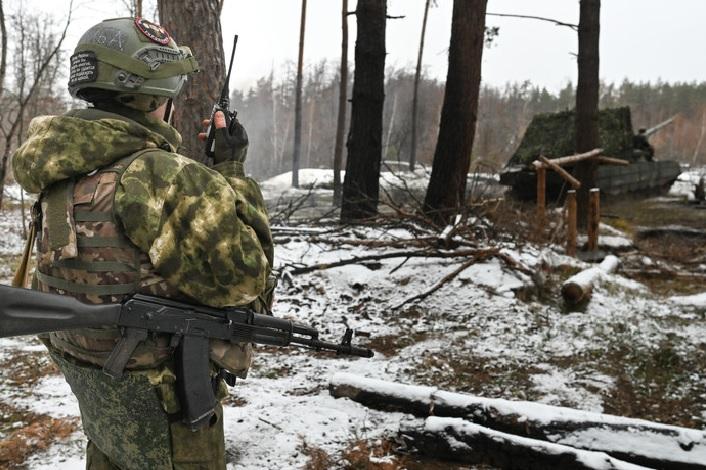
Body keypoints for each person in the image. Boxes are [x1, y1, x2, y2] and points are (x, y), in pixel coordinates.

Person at [12, 17, 274, 469]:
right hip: (169, 419)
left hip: (103, 402)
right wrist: (230, 172)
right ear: (153, 96)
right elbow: (249, 280)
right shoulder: (159, 176)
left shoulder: (62, 173)